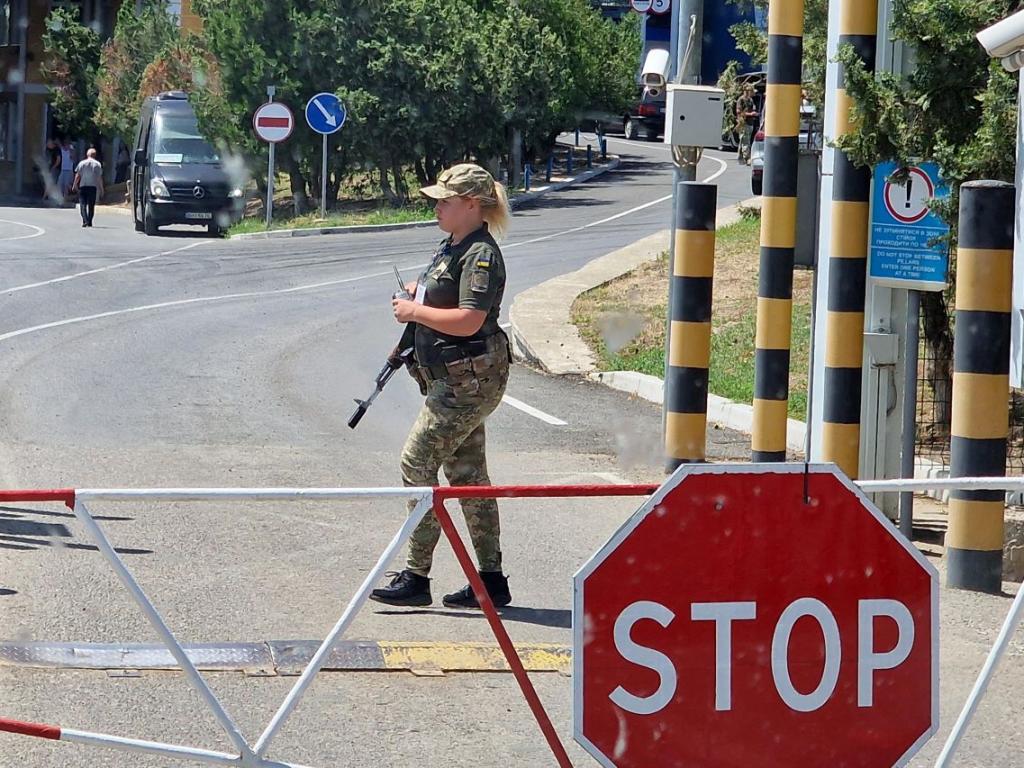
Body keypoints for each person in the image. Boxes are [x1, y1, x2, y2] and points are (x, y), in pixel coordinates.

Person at [370, 163, 513, 609]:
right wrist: (419, 291)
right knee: (469, 478)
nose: (437, 208)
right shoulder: (455, 245)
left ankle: (416, 576)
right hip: (455, 379)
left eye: (445, 202)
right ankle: (491, 581)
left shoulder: (481, 254)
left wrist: (414, 313)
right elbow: (445, 291)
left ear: (471, 205)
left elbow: (470, 319)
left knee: (415, 466)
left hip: (466, 383)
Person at [72, 148, 104, 228]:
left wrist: (74, 185)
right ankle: (89, 221)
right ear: (95, 155)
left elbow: (78, 175)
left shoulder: (82, 163)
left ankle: (85, 220)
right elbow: (99, 178)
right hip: (93, 187)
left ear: (87, 154)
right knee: (91, 205)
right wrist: (101, 188)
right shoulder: (97, 164)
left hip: (83, 186)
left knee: (83, 205)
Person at [736, 84, 759, 165]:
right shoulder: (741, 100)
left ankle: (740, 157)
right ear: (747, 91)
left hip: (750, 123)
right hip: (744, 123)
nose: (753, 93)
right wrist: (750, 114)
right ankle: (747, 158)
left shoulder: (750, 100)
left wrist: (754, 113)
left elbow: (753, 108)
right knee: (745, 141)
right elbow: (738, 112)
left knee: (744, 140)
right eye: (751, 91)